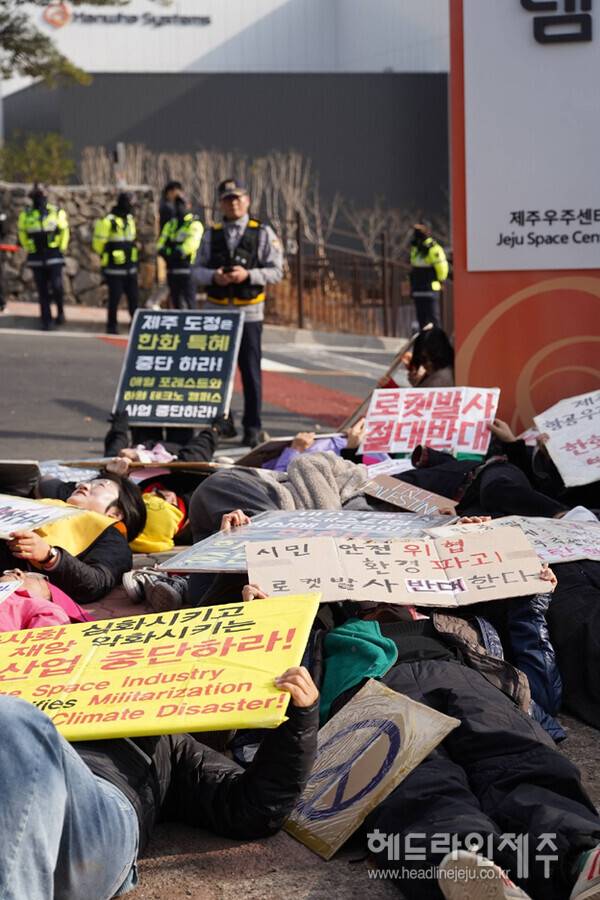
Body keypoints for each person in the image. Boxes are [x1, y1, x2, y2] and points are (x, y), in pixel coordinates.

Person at [0, 666, 318, 900]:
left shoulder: (169, 742)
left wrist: (300, 720)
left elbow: (251, 807)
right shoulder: (44, 700)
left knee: (13, 719)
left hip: (96, 824)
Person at [194, 179, 284, 448]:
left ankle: (253, 426)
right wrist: (213, 276)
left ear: (247, 200)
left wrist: (248, 275)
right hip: (217, 312)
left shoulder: (263, 232)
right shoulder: (212, 233)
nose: (233, 203)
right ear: (221, 203)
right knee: (214, 372)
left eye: (237, 198)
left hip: (249, 313)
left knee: (250, 371)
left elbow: (277, 271)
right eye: (227, 199)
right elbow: (195, 270)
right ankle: (221, 423)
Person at [3, 473, 147, 604]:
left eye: (100, 485)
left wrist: (50, 556)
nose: (83, 485)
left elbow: (96, 583)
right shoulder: (47, 506)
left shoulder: (113, 538)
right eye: (89, 482)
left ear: (115, 513)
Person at [17, 184, 69, 331]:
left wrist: (61, 247)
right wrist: (29, 247)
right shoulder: (26, 215)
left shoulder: (56, 212)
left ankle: (60, 312)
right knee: (42, 291)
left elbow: (64, 231)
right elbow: (22, 234)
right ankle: (46, 320)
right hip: (36, 257)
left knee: (57, 286)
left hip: (54, 256)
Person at [92, 192, 139, 335]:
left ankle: (135, 324)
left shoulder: (130, 219)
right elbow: (98, 244)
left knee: (134, 298)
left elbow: (131, 240)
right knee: (114, 298)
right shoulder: (108, 221)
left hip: (130, 267)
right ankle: (111, 326)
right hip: (114, 269)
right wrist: (111, 254)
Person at [157, 194, 204, 309]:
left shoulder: (194, 224)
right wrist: (167, 253)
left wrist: (177, 252)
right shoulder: (171, 224)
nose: (178, 207)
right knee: (175, 301)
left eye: (181, 203)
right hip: (172, 269)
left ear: (189, 205)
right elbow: (161, 243)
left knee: (189, 302)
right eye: (176, 204)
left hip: (188, 269)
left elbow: (192, 244)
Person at [409, 223, 448, 330]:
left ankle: (435, 342)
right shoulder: (416, 248)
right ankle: (426, 342)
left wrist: (441, 280)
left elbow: (441, 267)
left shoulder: (431, 248)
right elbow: (442, 267)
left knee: (430, 318)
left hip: (426, 288)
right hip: (423, 288)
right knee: (429, 318)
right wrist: (442, 280)